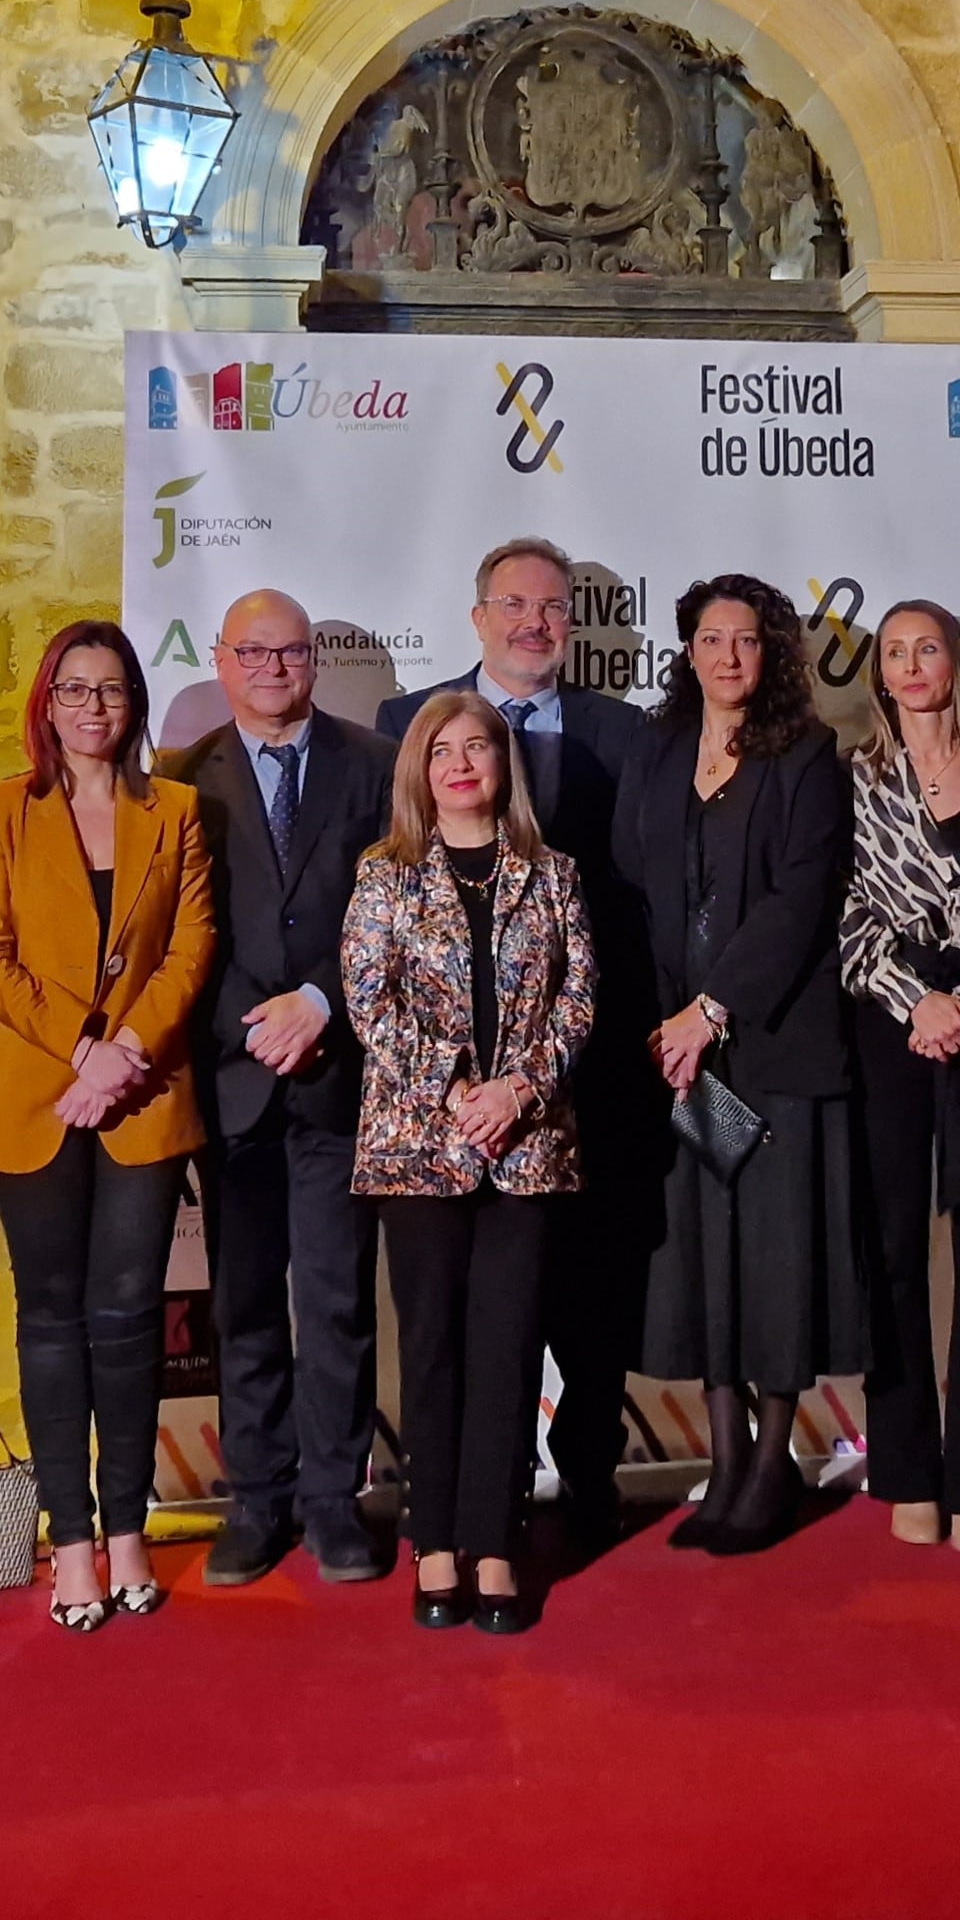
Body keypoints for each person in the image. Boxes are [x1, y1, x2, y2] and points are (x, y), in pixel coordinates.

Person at [382, 538, 659, 1546]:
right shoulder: (409, 726)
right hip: (442, 1106)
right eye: (512, 603)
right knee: (455, 1328)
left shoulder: (627, 732)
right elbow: (380, 923)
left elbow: (640, 900)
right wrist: (455, 1082)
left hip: (587, 1071)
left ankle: (584, 1487)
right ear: (477, 617)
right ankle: (458, 1519)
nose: (533, 621)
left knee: (588, 1302)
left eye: (551, 606)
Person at [0, 619, 217, 1630]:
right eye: (74, 688)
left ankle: (127, 1532)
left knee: (126, 1319)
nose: (93, 707)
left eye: (111, 689)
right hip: (36, 1095)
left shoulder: (180, 812)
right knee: (50, 1317)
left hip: (143, 1096)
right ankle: (70, 1542)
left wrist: (125, 1055)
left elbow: (191, 948)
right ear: (46, 702)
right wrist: (82, 1049)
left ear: (134, 702)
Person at [619, 571, 860, 1555]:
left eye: (748, 640)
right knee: (703, 1257)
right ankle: (721, 1456)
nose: (729, 656)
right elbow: (630, 887)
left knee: (774, 1259)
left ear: (773, 656)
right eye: (712, 638)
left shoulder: (806, 755)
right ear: (688, 651)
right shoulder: (656, 748)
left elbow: (803, 899)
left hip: (772, 1049)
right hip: (681, 1059)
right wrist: (665, 1021)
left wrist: (712, 1010)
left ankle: (772, 1465)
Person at [345, 692, 596, 1633]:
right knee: (434, 1346)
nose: (460, 763)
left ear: (502, 762)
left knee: (508, 1347)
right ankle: (435, 1541)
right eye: (441, 749)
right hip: (419, 1149)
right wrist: (457, 1093)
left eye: (477, 747)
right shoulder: (385, 875)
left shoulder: (554, 874)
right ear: (420, 768)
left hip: (526, 1147)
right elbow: (370, 1002)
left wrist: (518, 1093)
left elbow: (578, 1001)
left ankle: (496, 1539)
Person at [160, 589, 393, 1587]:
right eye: (252, 650)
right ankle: (256, 1502)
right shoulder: (181, 783)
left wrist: (321, 1002)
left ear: (312, 661)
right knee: (245, 1305)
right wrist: (256, 1022)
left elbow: (395, 910)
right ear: (221, 659)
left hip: (342, 1081)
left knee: (337, 1302)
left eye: (290, 651)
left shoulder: (379, 769)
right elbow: (174, 939)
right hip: (235, 1080)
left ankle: (336, 1502)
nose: (272, 667)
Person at [839, 598, 960, 1553]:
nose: (911, 666)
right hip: (890, 1023)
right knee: (893, 1258)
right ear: (877, 673)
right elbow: (842, 910)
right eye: (894, 653)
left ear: (956, 662)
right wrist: (917, 1002)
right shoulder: (852, 778)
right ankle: (906, 1465)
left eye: (928, 650)